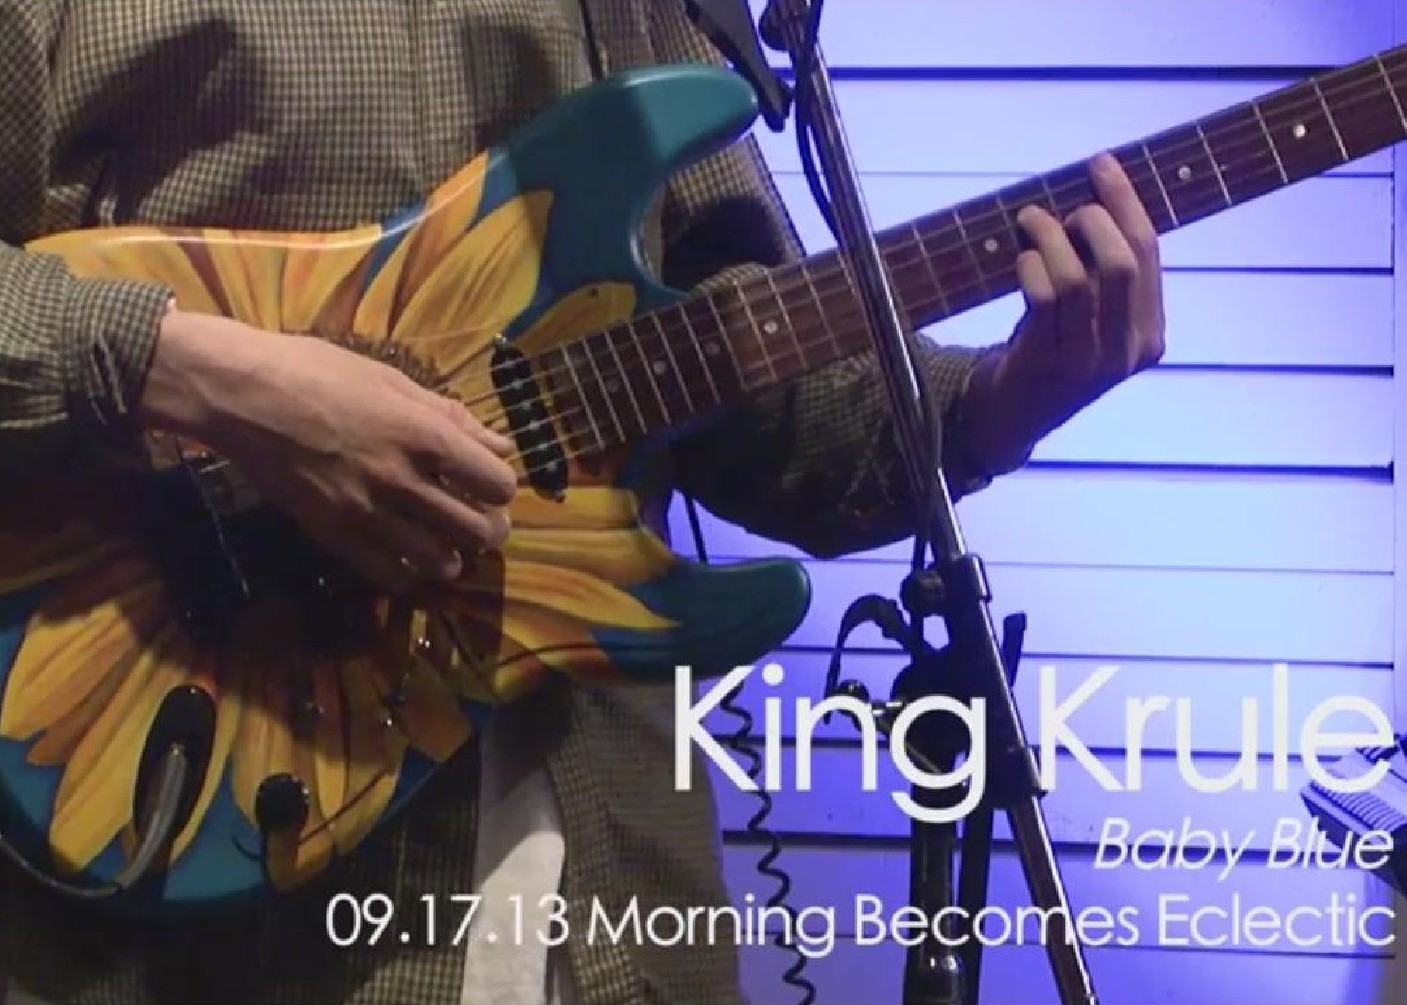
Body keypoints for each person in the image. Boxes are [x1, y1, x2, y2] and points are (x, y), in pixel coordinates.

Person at [0, 1, 1165, 1003]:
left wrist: (1011, 396)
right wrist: (216, 384)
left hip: (615, 884)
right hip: (193, 863)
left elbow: (753, 394)